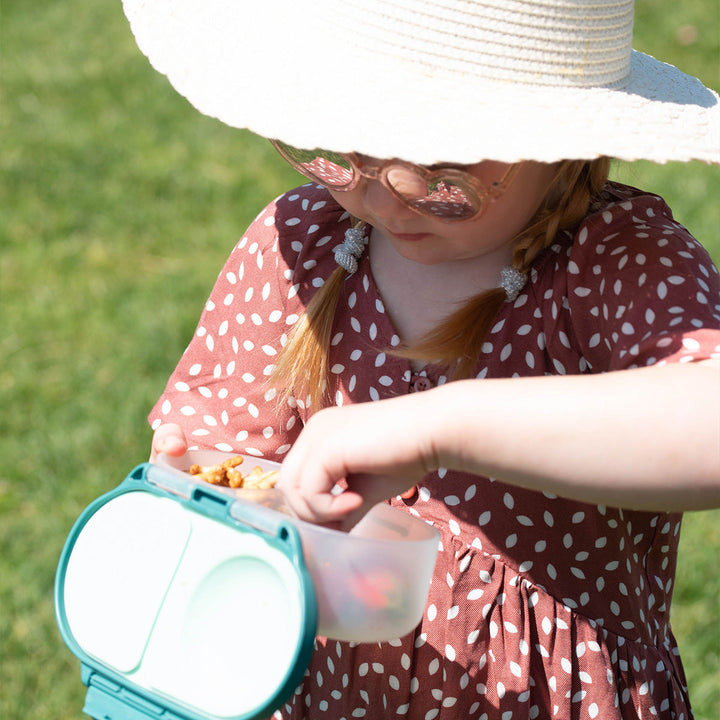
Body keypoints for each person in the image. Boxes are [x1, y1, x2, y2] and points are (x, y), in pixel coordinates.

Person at [124, 0, 720, 717]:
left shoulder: (615, 262)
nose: (387, 194)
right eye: (347, 151)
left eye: (442, 176)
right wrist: (204, 493)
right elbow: (225, 462)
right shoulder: (302, 246)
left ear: (560, 140)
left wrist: (443, 428)